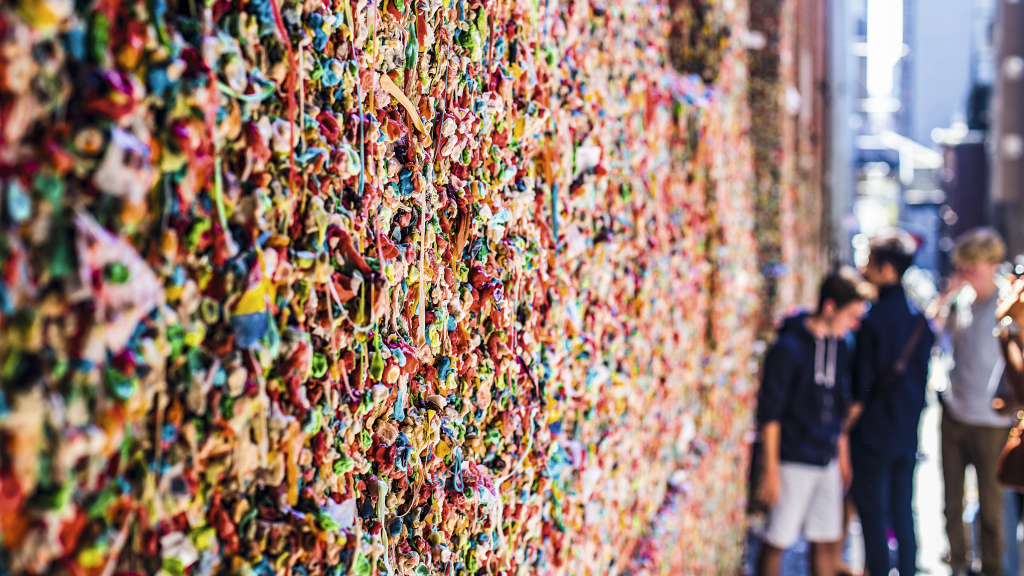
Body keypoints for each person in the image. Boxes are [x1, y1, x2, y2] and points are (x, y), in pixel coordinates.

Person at [756, 270, 871, 576]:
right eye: (851, 315)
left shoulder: (842, 346)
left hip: (827, 459)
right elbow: (770, 413)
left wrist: (842, 454)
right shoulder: (788, 349)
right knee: (777, 540)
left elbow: (838, 406)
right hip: (792, 459)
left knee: (826, 540)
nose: (854, 324)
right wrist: (770, 469)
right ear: (830, 307)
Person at [847, 230, 935, 576]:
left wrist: (846, 425)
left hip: (873, 433)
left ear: (886, 268)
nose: (863, 269)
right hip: (907, 430)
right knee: (902, 510)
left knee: (873, 514)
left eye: (869, 263)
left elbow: (861, 386)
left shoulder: (873, 320)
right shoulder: (918, 319)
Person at [933, 228, 1013, 576]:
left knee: (991, 508)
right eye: (963, 266)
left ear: (993, 265)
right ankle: (959, 563)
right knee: (951, 502)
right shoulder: (960, 301)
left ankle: (992, 568)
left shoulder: (1008, 305)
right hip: (955, 413)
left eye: (973, 267)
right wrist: (945, 297)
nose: (966, 273)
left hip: (992, 422)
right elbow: (934, 338)